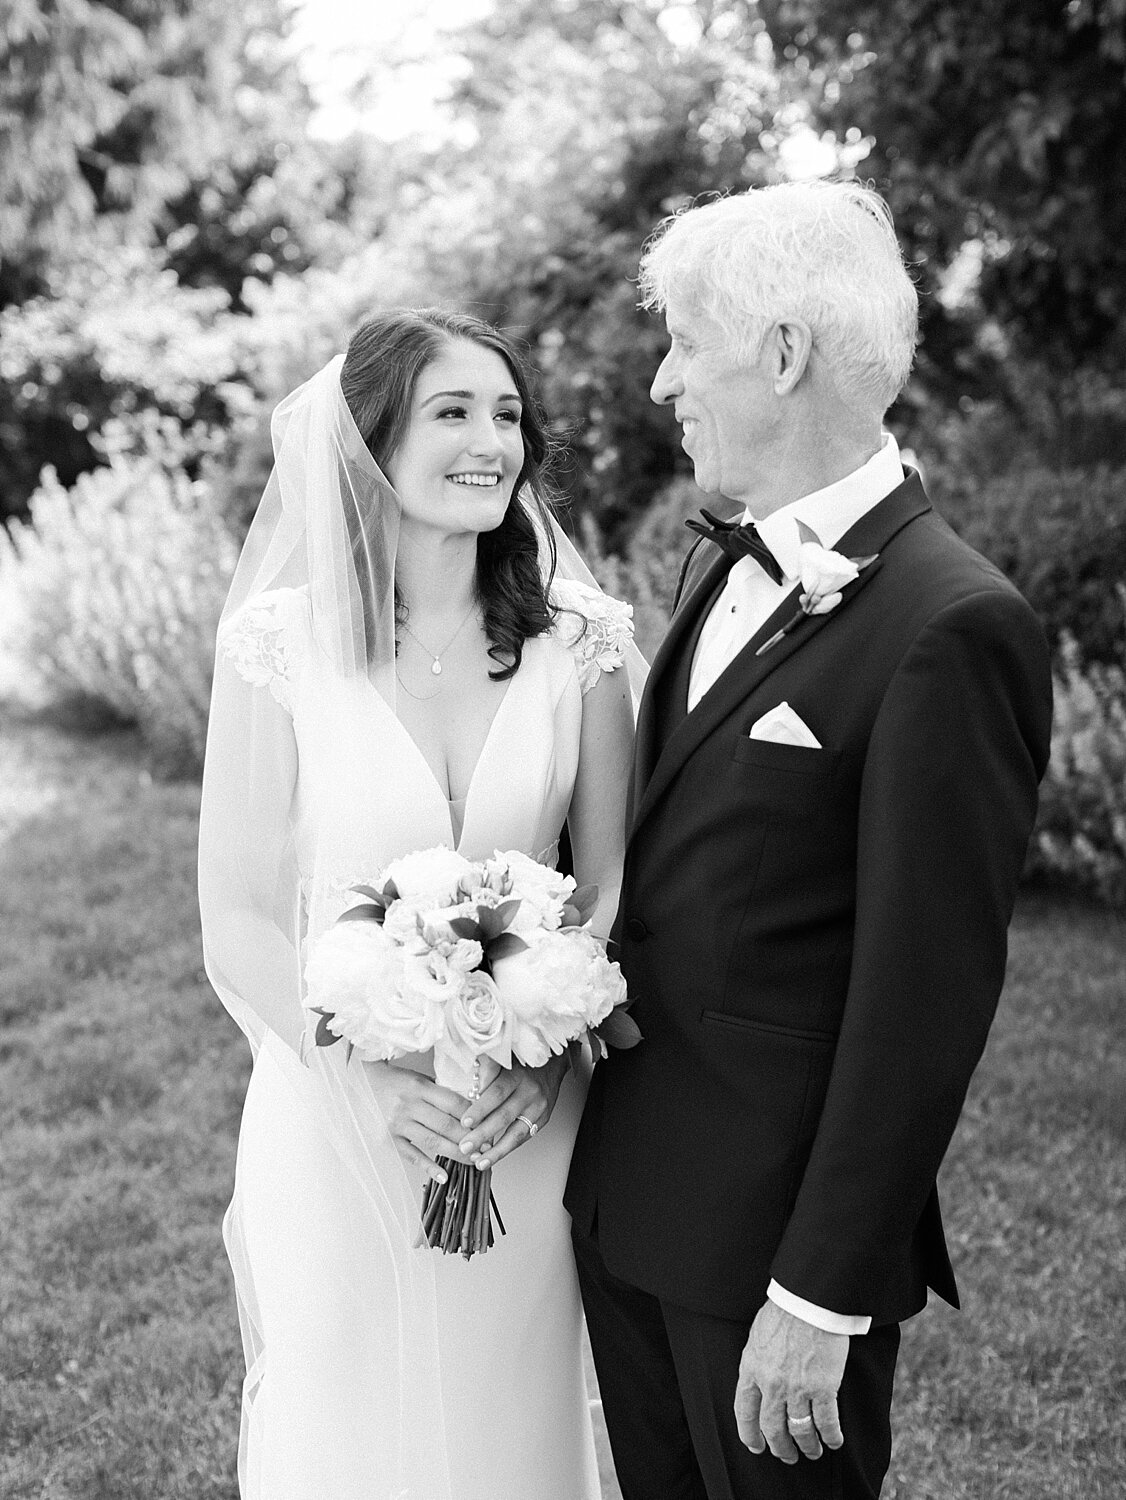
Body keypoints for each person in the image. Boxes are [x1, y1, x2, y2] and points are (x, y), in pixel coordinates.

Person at [566, 181, 1054, 1500]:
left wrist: (819, 1295)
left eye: (681, 344)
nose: (664, 383)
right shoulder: (732, 563)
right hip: (631, 1208)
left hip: (766, 1256)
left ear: (778, 355)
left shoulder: (948, 626)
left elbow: (923, 998)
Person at [198, 308, 641, 1500]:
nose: (490, 440)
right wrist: (361, 1077)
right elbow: (236, 911)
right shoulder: (280, 648)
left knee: (512, 1411)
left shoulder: (582, 647)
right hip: (334, 1113)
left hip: (521, 1118)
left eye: (506, 413)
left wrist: (549, 1051)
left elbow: (606, 885)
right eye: (451, 411)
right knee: (344, 1407)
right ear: (369, 440)